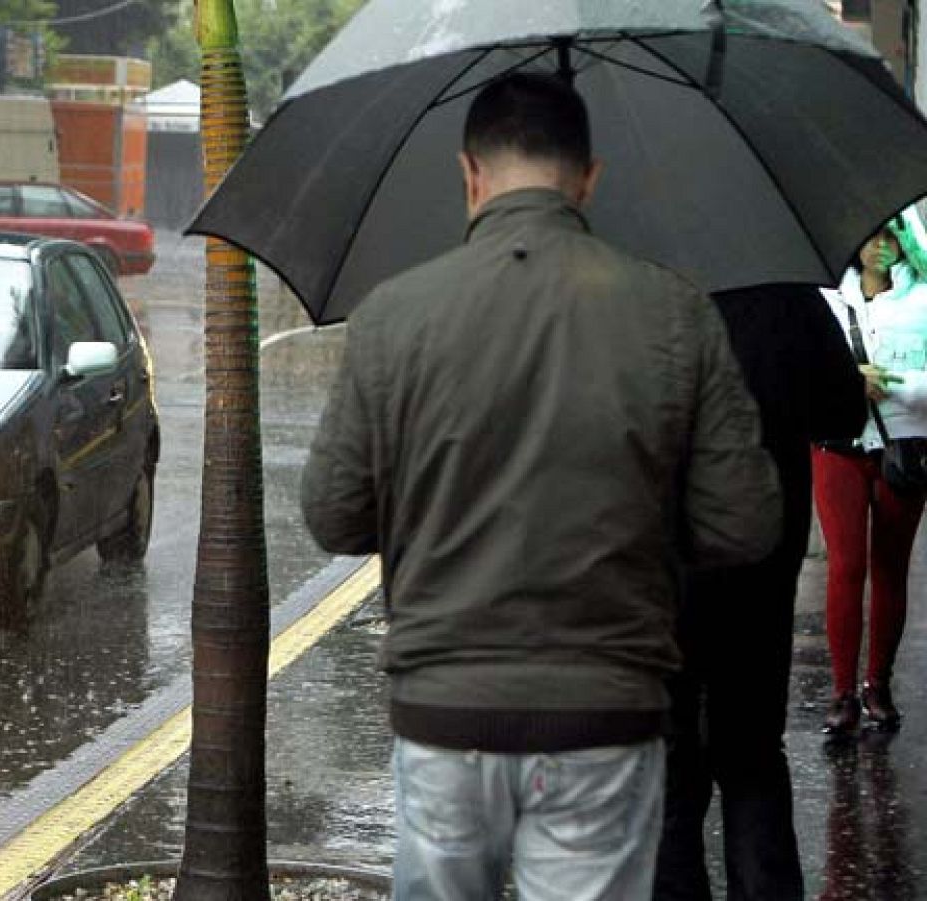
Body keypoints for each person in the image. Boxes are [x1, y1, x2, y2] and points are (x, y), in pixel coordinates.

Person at [300, 72, 781, 900]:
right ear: (589, 179)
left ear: (469, 175)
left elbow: (334, 514)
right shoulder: (675, 312)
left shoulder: (393, 315)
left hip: (445, 713)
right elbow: (745, 521)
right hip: (607, 711)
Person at [655, 284, 866, 901]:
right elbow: (843, 413)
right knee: (751, 756)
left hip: (656, 569)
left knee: (666, 766)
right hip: (759, 562)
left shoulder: (617, 297)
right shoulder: (787, 297)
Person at [814, 213, 927, 736]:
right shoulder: (827, 300)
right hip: (838, 443)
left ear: (905, 242)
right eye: (872, 236)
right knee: (846, 566)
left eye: (892, 236)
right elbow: (804, 369)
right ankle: (841, 693)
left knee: (889, 568)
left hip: (904, 446)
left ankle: (876, 683)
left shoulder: (922, 299)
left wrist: (895, 384)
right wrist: (845, 381)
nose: (881, 246)